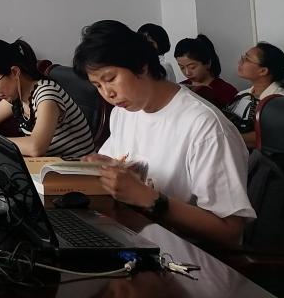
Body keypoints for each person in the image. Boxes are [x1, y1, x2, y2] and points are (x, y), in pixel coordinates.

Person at [73, 20, 254, 249]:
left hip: (184, 256)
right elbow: (121, 165)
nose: (107, 93)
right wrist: (107, 167)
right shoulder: (124, 112)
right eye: (97, 85)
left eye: (110, 79)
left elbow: (230, 232)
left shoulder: (205, 126)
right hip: (133, 237)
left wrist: (150, 199)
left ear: (141, 66)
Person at [0, 39, 94, 158]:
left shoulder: (46, 95)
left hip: (77, 170)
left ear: (15, 72)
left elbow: (36, 147)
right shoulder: (18, 96)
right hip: (50, 168)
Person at [225, 42, 284, 147]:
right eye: (243, 57)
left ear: (263, 71)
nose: (240, 62)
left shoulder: (281, 100)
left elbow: (272, 136)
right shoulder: (242, 95)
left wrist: (228, 138)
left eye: (247, 59)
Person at [174, 34, 237, 107]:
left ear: (208, 63)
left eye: (192, 67)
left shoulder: (227, 91)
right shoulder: (180, 88)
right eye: (182, 67)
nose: (187, 73)